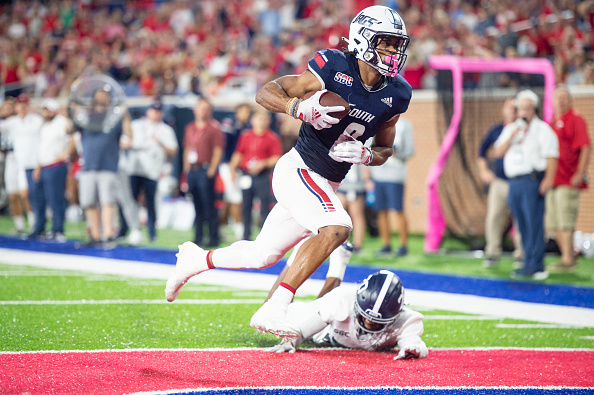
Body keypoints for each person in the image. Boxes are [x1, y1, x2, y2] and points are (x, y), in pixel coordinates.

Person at [166, 5, 412, 340]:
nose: (392, 52)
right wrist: (297, 108)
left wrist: (367, 154)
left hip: (325, 183)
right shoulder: (335, 65)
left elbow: (386, 147)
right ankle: (275, 306)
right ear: (362, 38)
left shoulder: (397, 94)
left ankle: (196, 259)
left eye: (396, 44)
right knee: (338, 227)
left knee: (261, 255)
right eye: (385, 42)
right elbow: (267, 92)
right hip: (298, 169)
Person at [266, 270, 428, 360]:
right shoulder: (342, 301)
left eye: (378, 322)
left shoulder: (408, 321)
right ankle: (337, 263)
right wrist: (291, 341)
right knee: (271, 315)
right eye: (365, 316)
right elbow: (302, 331)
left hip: (332, 326)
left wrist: (412, 349)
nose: (369, 324)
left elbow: (416, 345)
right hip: (321, 326)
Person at [493, 90, 559, 280]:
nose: (524, 111)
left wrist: (549, 179)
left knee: (534, 223)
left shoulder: (542, 129)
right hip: (514, 182)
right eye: (521, 108)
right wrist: (513, 132)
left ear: (534, 109)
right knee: (521, 225)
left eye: (527, 108)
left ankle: (537, 265)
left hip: (532, 180)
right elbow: (497, 152)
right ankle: (527, 261)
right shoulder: (512, 128)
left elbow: (552, 155)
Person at [77, 88, 132, 245]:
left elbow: (128, 137)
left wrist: (125, 115)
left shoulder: (114, 119)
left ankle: (108, 234)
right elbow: (70, 129)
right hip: (88, 166)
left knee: (108, 201)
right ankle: (95, 235)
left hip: (108, 166)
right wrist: (72, 109)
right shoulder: (86, 118)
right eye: (99, 96)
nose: (101, 99)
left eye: (104, 97)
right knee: (88, 202)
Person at [546, 86, 591, 272]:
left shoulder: (575, 119)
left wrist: (580, 172)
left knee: (566, 221)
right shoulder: (552, 122)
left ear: (571, 100)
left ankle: (568, 259)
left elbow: (586, 147)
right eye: (558, 97)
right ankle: (566, 257)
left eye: (564, 97)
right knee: (554, 222)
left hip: (568, 179)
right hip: (553, 180)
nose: (561, 100)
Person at [477, 98, 524, 268]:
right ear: (503, 109)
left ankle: (521, 255)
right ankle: (492, 253)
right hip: (500, 182)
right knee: (494, 217)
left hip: (519, 181)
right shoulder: (497, 129)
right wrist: (484, 170)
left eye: (515, 107)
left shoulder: (524, 130)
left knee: (521, 219)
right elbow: (482, 150)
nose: (512, 110)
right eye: (509, 107)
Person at [125, 100, 178, 242]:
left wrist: (160, 143)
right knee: (130, 200)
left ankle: (151, 232)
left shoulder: (166, 130)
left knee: (150, 202)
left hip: (152, 171)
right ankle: (128, 229)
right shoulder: (135, 125)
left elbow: (173, 150)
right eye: (153, 110)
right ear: (148, 111)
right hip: (134, 168)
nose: (156, 113)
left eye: (158, 111)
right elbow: (124, 141)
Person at [229, 111, 283, 240]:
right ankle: (245, 236)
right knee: (246, 206)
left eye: (263, 119)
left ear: (268, 122)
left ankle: (266, 237)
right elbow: (239, 153)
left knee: (265, 206)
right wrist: (232, 168)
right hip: (246, 174)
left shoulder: (272, 137)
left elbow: (276, 157)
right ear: (252, 120)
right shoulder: (246, 136)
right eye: (258, 118)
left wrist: (262, 164)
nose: (261, 122)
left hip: (262, 176)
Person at [369, 117, 416, 257]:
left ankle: (403, 245)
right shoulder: (377, 121)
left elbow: (410, 150)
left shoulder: (405, 125)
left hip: (395, 175)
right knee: (381, 211)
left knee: (398, 210)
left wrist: (395, 152)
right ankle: (386, 244)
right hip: (378, 173)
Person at [31, 99, 75, 241]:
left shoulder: (62, 122)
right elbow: (42, 147)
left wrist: (66, 153)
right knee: (42, 199)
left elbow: (74, 135)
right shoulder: (45, 125)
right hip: (44, 165)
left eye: (48, 109)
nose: (45, 112)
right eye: (44, 110)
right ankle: (41, 228)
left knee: (56, 199)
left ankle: (58, 230)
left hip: (56, 166)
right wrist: (38, 167)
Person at [183, 99, 224, 248]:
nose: (203, 111)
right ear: (195, 110)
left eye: (206, 108)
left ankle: (213, 237)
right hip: (193, 170)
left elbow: (218, 150)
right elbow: (187, 148)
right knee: (196, 205)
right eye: (201, 108)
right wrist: (186, 169)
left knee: (209, 205)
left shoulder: (214, 128)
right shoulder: (190, 127)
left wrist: (212, 169)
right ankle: (198, 236)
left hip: (205, 169)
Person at [0, 94, 43, 237]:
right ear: (16, 106)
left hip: (30, 163)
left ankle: (33, 224)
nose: (22, 107)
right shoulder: (12, 122)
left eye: (25, 104)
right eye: (20, 104)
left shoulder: (36, 120)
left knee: (26, 194)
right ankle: (19, 226)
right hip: (13, 161)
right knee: (12, 195)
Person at [219, 103, 252, 240]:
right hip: (228, 165)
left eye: (248, 112)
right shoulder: (230, 123)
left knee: (228, 199)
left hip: (238, 167)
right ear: (237, 112)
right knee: (236, 198)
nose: (246, 114)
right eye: (243, 111)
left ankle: (219, 228)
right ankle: (240, 231)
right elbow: (224, 144)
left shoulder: (247, 127)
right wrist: (231, 166)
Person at [335, 165, 367, 253]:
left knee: (356, 215)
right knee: (341, 216)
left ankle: (358, 245)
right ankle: (343, 243)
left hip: (356, 186)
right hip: (341, 184)